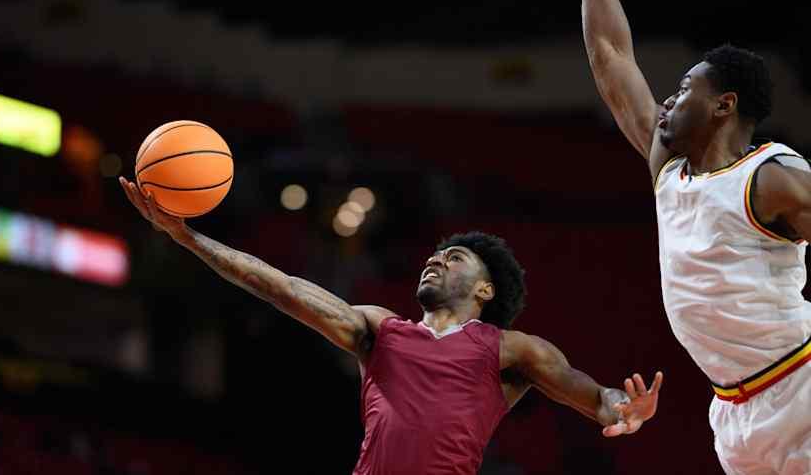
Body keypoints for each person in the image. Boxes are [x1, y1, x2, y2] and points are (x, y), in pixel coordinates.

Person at [119, 177, 661, 474]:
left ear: (485, 289)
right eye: (434, 255)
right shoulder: (381, 330)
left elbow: (593, 398)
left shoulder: (512, 351)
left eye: (453, 258)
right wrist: (188, 238)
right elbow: (279, 285)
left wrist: (624, 408)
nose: (436, 260)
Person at [579, 0, 811, 473]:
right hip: (733, 409)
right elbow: (610, 56)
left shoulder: (771, 179)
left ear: (723, 105)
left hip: (799, 382)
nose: (667, 101)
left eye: (684, 90)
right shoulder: (669, 168)